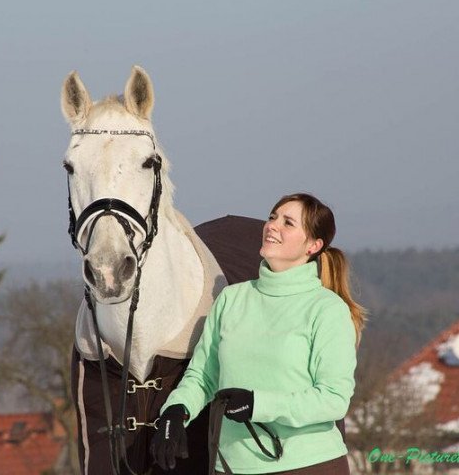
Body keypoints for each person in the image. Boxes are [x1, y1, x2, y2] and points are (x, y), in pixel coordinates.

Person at [149, 193, 366, 474]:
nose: (272, 226)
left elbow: (333, 399)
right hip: (232, 466)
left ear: (313, 245)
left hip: (308, 464)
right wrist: (176, 411)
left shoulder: (326, 309)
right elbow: (203, 376)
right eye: (273, 217)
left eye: (288, 223)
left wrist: (258, 404)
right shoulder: (231, 299)